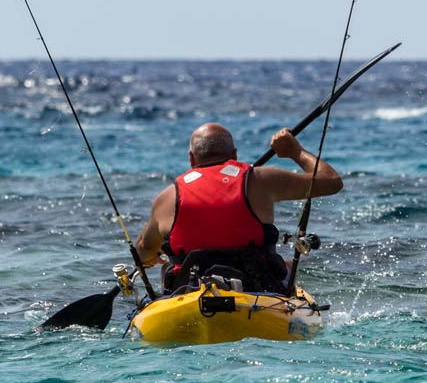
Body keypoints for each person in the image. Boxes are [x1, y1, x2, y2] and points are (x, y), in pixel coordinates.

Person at [135, 123, 343, 293]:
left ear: (191, 158)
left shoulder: (167, 197)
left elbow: (143, 249)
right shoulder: (259, 179)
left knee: (166, 269)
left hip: (190, 290)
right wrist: (295, 152)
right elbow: (332, 181)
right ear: (234, 154)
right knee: (288, 266)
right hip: (258, 287)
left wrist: (151, 258)